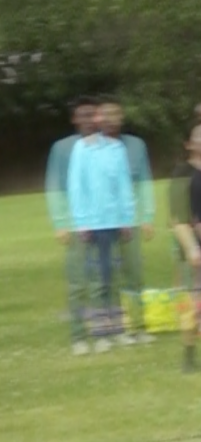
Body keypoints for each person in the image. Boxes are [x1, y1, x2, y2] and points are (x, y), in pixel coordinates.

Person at [66, 111, 136, 353]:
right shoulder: (81, 149)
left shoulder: (117, 149)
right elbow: (76, 187)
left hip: (113, 221)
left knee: (113, 278)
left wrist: (126, 219)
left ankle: (117, 328)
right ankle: (98, 333)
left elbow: (124, 185)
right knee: (96, 280)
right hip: (92, 224)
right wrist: (82, 222)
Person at [97, 96, 156, 345]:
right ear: (99, 119)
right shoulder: (90, 148)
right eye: (106, 115)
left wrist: (147, 217)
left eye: (116, 114)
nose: (111, 120)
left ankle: (137, 326)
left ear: (122, 118)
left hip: (129, 219)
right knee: (105, 275)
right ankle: (111, 327)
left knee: (133, 274)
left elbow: (144, 182)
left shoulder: (135, 145)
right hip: (100, 221)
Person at [46, 96, 98, 356]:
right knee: (78, 281)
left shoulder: (107, 146)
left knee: (104, 278)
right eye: (83, 115)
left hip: (105, 222)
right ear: (74, 119)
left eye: (92, 114)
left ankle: (104, 330)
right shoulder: (63, 148)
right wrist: (60, 223)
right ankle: (78, 334)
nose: (88, 120)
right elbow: (55, 186)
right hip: (77, 223)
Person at [169, 124, 201, 372]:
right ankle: (189, 354)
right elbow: (177, 217)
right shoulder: (183, 172)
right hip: (192, 246)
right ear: (189, 144)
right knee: (192, 301)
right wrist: (192, 248)